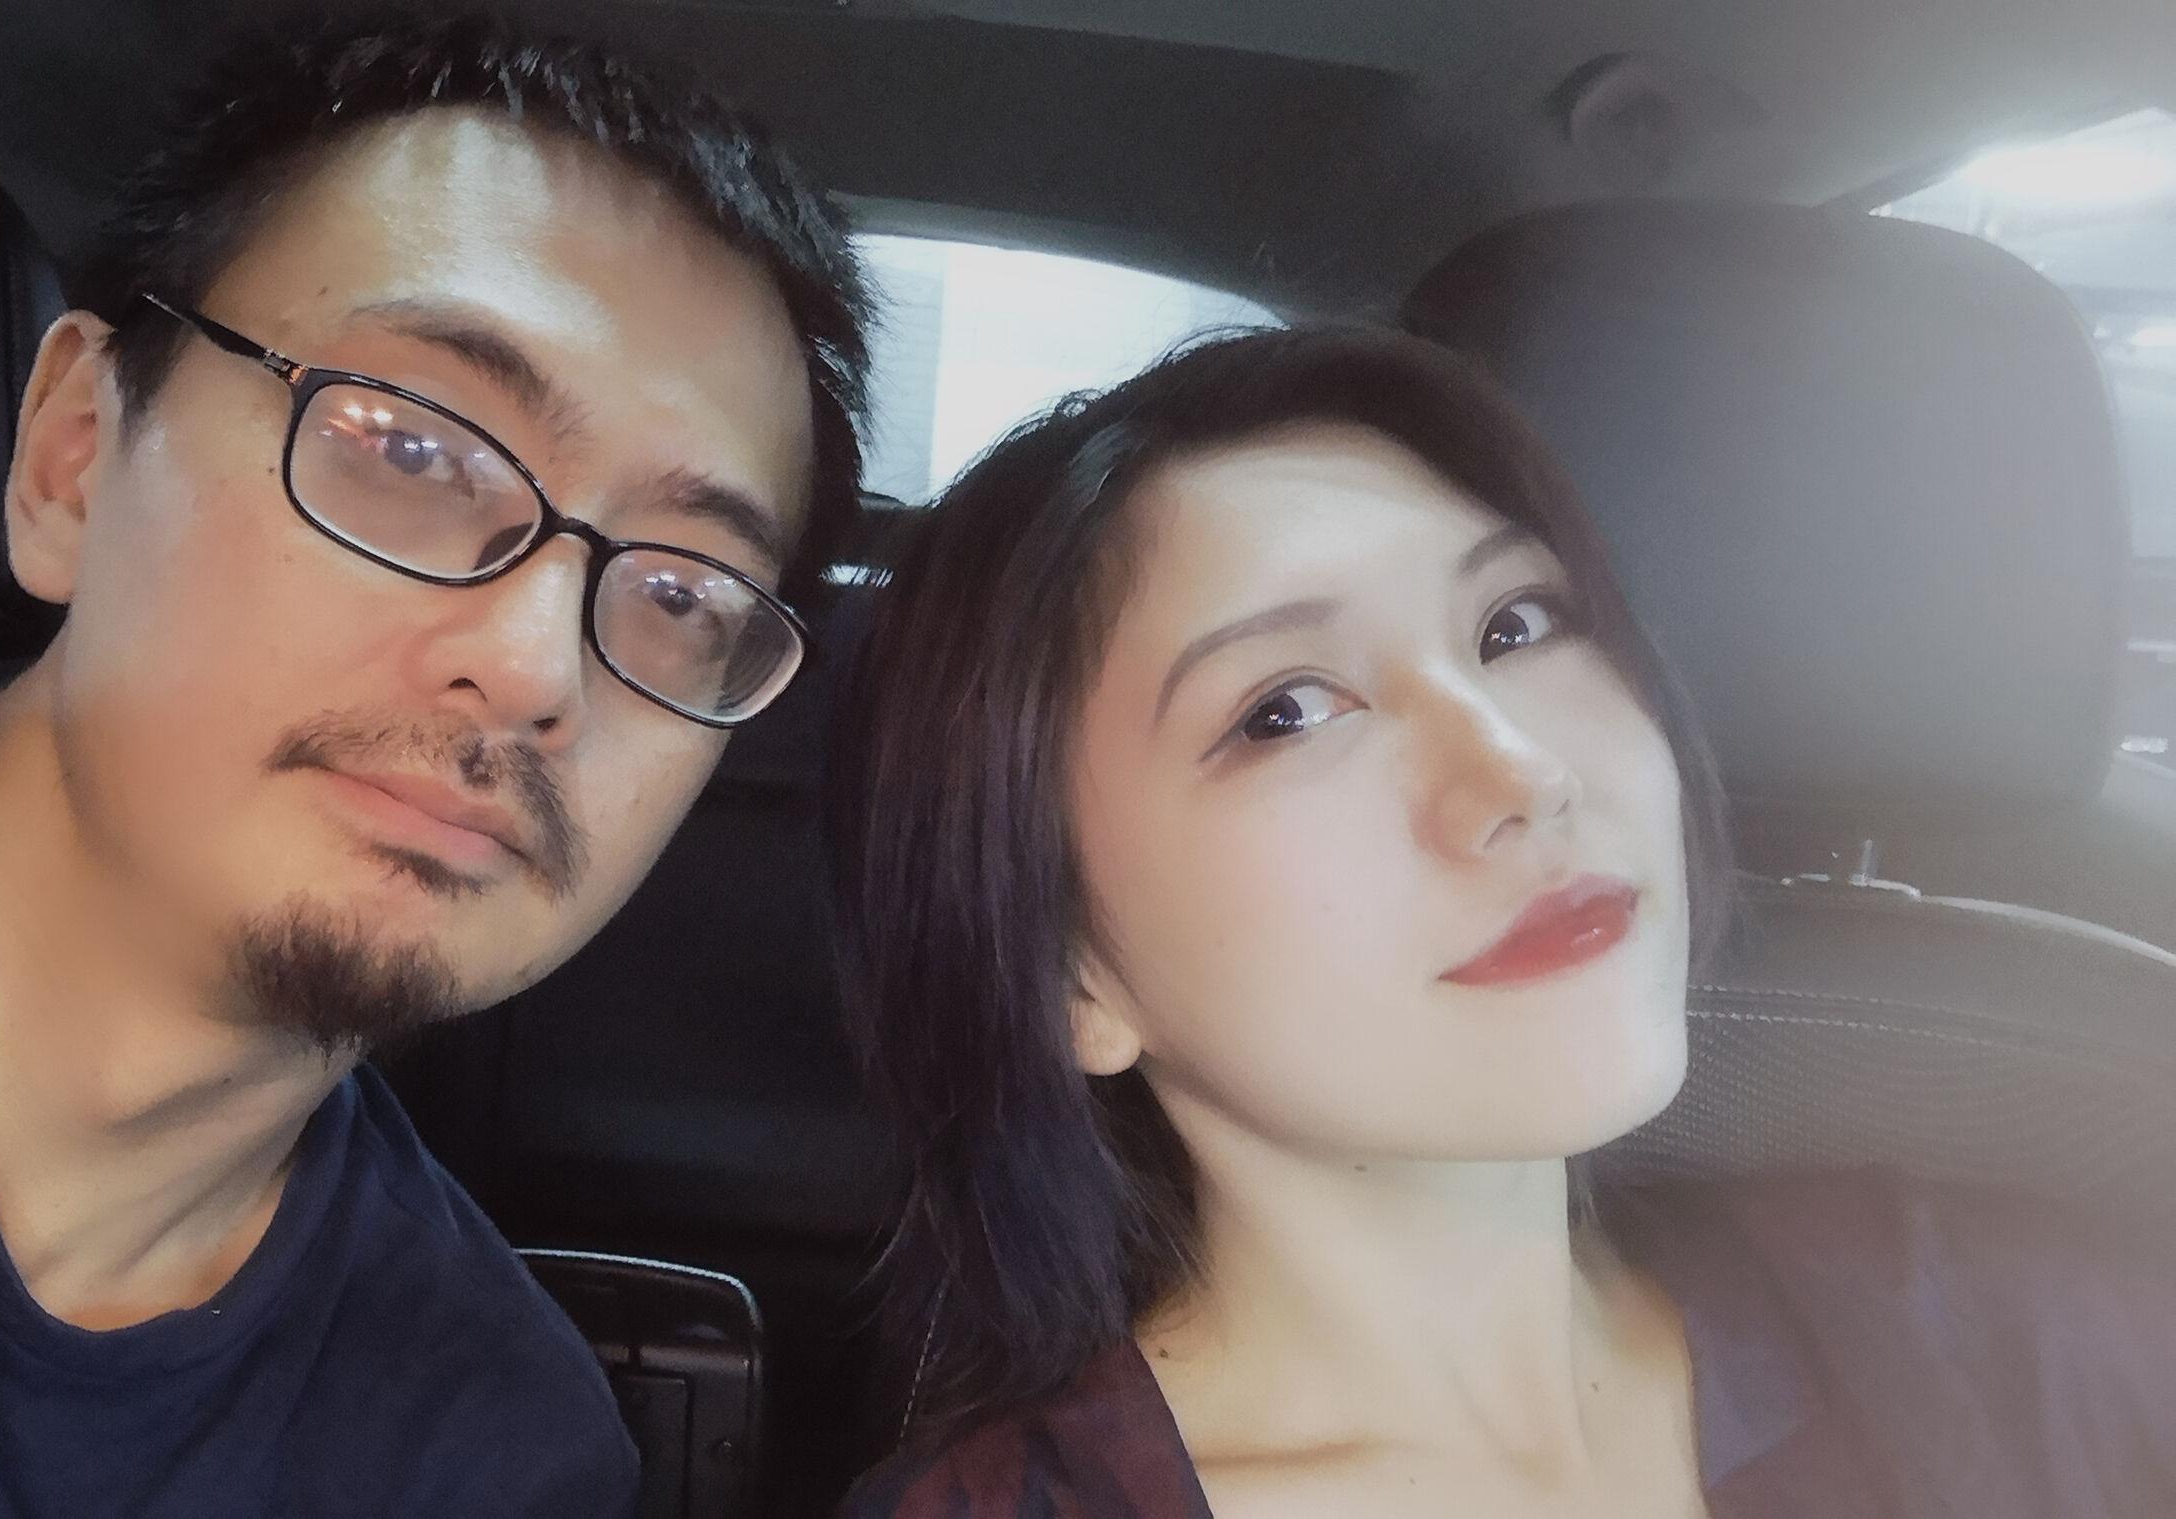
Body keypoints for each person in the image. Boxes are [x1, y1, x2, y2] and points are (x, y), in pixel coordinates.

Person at [0, 10, 869, 1517]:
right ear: (74, 454)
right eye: (410, 450)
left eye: (683, 597)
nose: (539, 671)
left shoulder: (480, 1457)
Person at [826, 327, 2176, 1518]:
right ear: (1069, 974)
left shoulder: (2009, 1335)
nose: (1524, 774)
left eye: (1520, 625)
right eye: (1286, 710)